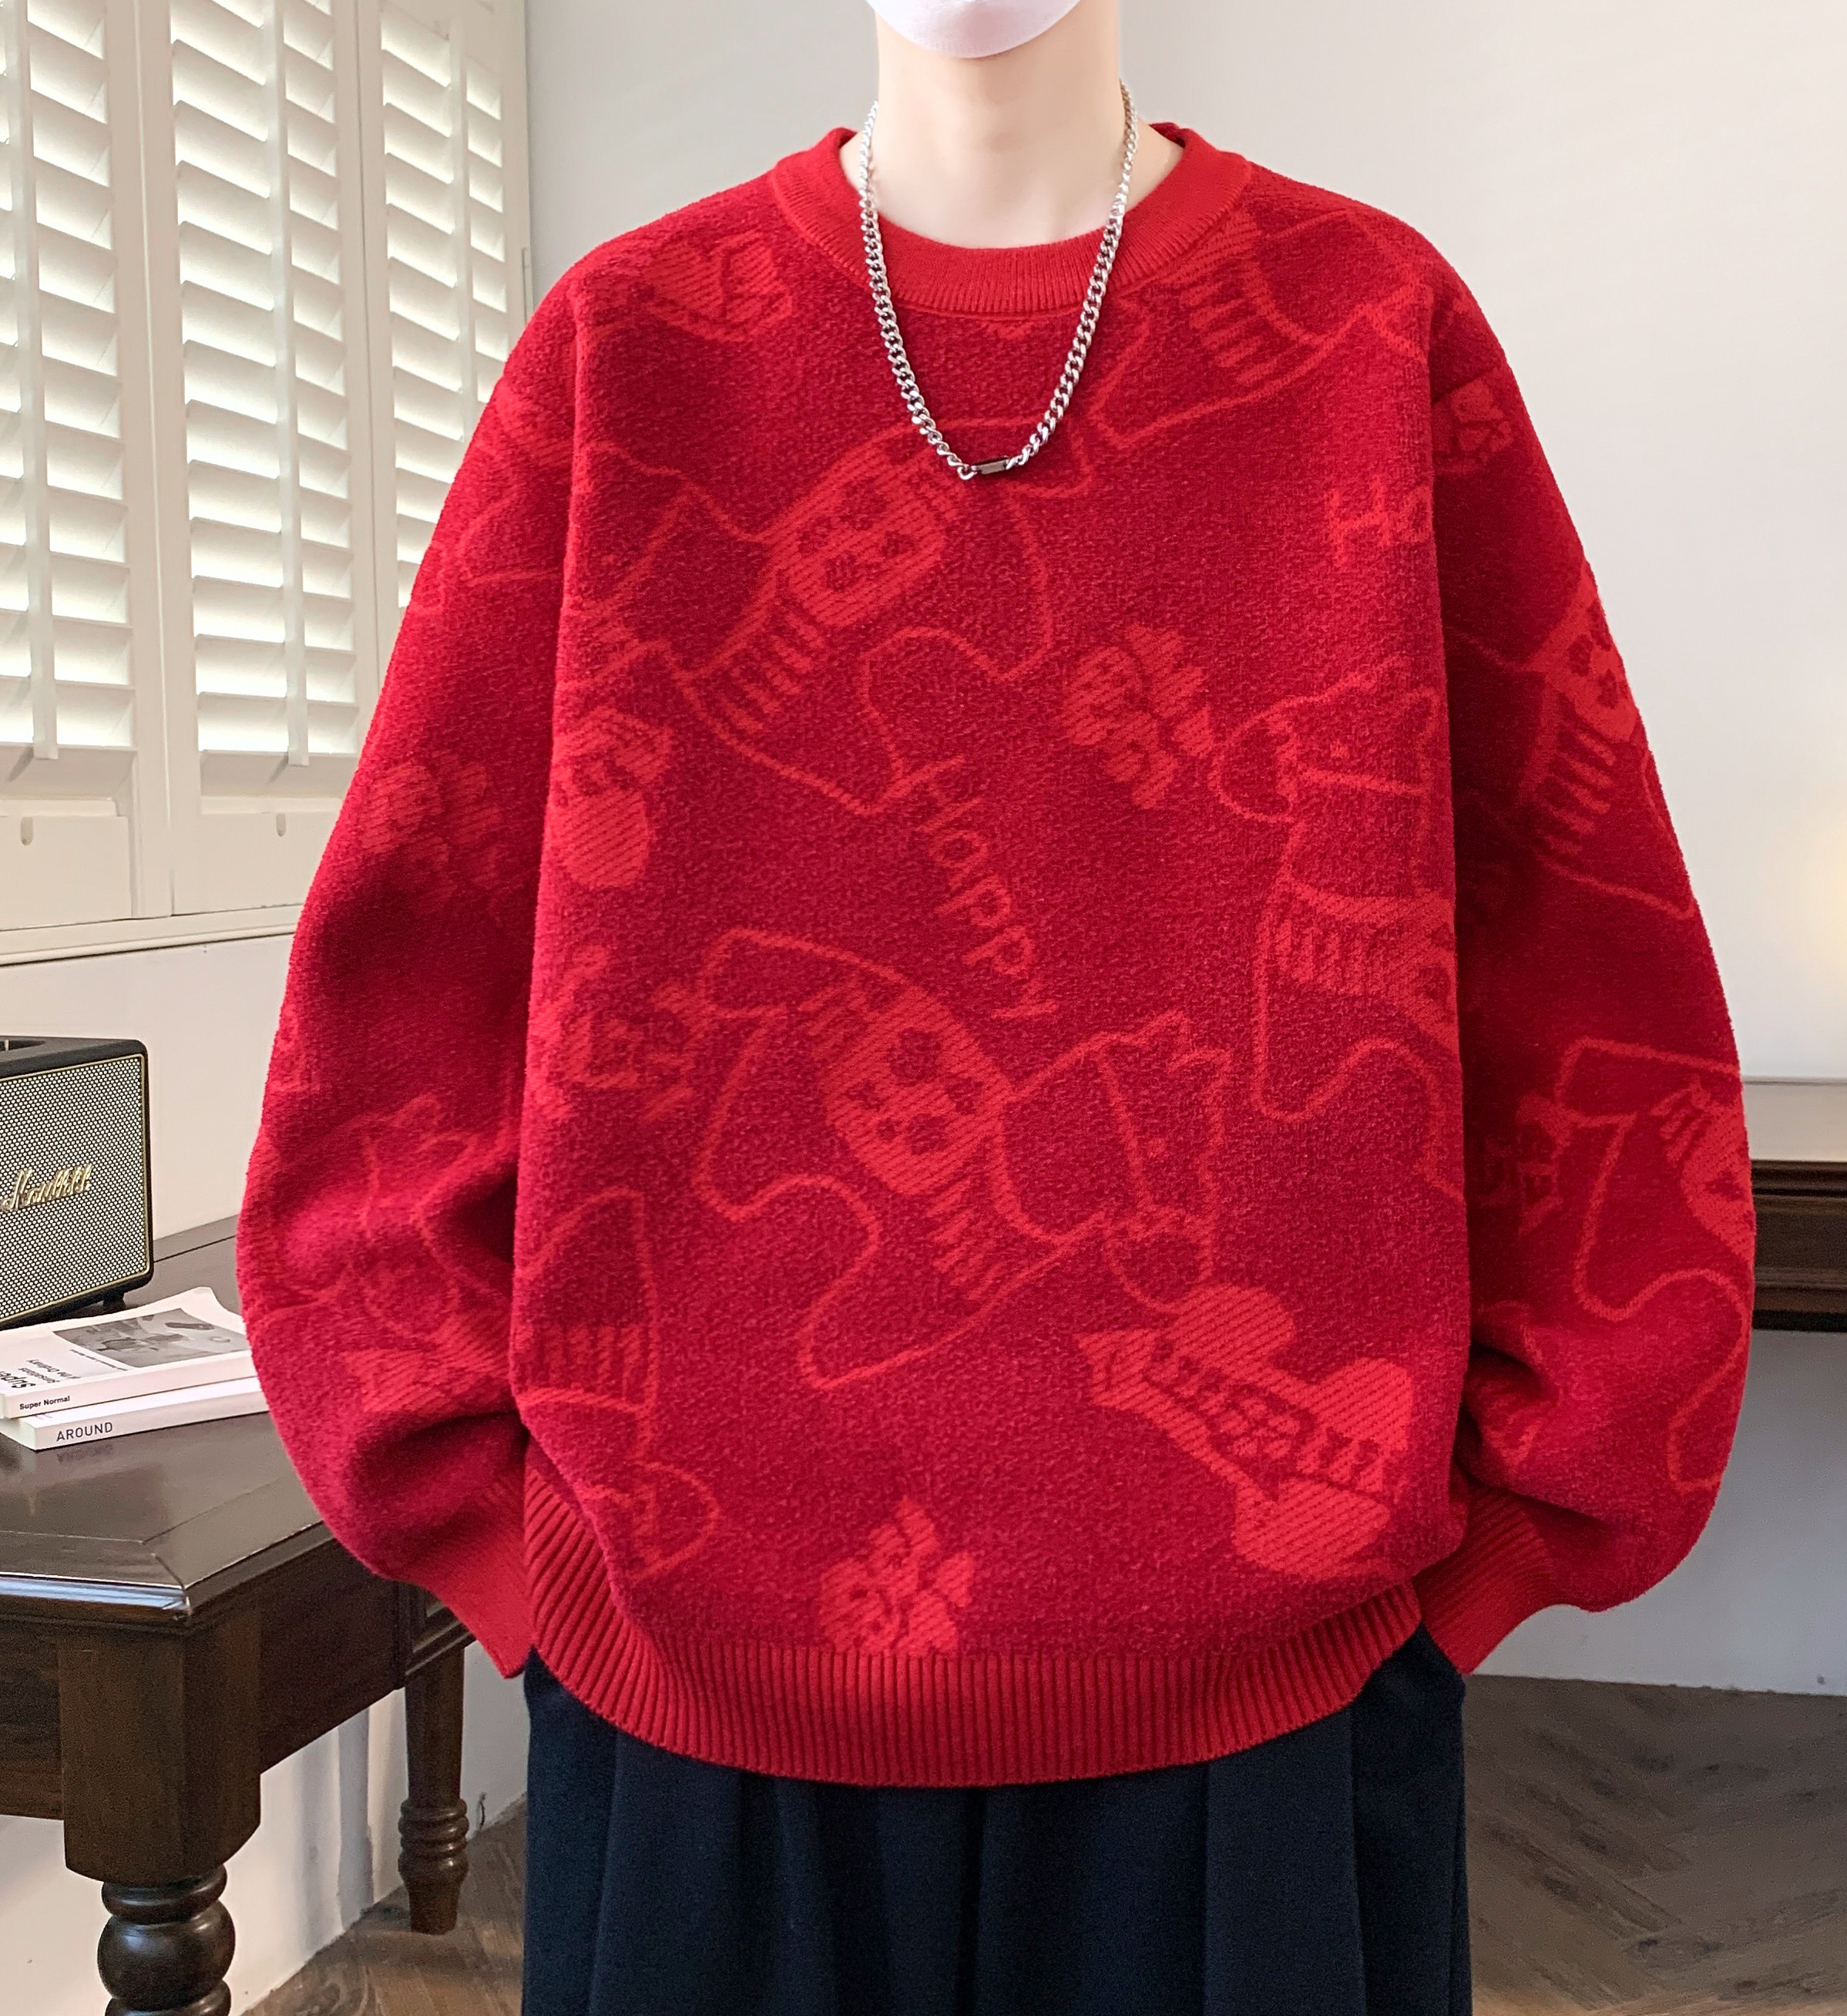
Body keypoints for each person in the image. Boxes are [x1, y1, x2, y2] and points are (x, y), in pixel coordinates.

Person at [235, 1, 1758, 2010]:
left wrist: (1484, 1561)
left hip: (1273, 1714)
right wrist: (503, 1549)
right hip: (694, 1706)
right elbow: (405, 984)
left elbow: (1589, 962)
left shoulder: (1372, 329)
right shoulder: (630, 343)